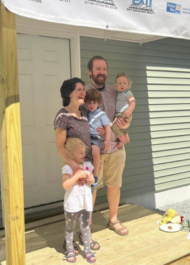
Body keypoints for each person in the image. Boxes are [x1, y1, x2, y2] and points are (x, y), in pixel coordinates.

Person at [54, 77, 100, 251]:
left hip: (88, 166)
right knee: (74, 204)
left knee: (86, 202)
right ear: (68, 93)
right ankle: (69, 241)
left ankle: (84, 234)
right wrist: (74, 167)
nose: (83, 92)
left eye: (83, 89)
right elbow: (60, 147)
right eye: (79, 89)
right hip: (74, 166)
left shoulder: (84, 112)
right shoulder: (62, 116)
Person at [86, 56, 129, 236]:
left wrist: (125, 125)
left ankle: (113, 220)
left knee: (114, 185)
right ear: (90, 71)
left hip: (115, 148)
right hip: (94, 150)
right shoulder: (85, 93)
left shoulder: (115, 91)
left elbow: (123, 112)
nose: (102, 72)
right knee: (91, 187)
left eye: (104, 69)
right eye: (98, 69)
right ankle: (86, 225)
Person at [62, 138, 96, 263]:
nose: (83, 155)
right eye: (80, 152)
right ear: (71, 154)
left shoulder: (88, 166)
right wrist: (77, 176)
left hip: (85, 204)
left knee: (85, 228)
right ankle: (70, 249)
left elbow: (93, 182)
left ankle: (87, 250)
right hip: (72, 204)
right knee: (70, 227)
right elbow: (65, 185)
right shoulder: (68, 168)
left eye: (84, 152)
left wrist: (90, 179)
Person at [84, 88, 111, 187]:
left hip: (95, 138)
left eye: (94, 103)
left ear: (98, 103)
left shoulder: (101, 114)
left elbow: (107, 127)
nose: (91, 105)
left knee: (95, 154)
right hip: (85, 138)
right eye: (89, 102)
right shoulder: (85, 113)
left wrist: (107, 140)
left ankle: (95, 176)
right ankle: (86, 174)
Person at [112, 73, 135, 148]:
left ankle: (122, 140)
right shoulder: (119, 93)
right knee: (122, 127)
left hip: (124, 113)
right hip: (120, 114)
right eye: (120, 83)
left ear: (128, 85)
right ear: (116, 86)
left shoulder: (127, 92)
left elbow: (132, 102)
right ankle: (127, 138)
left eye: (124, 83)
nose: (122, 85)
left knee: (115, 127)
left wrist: (129, 110)